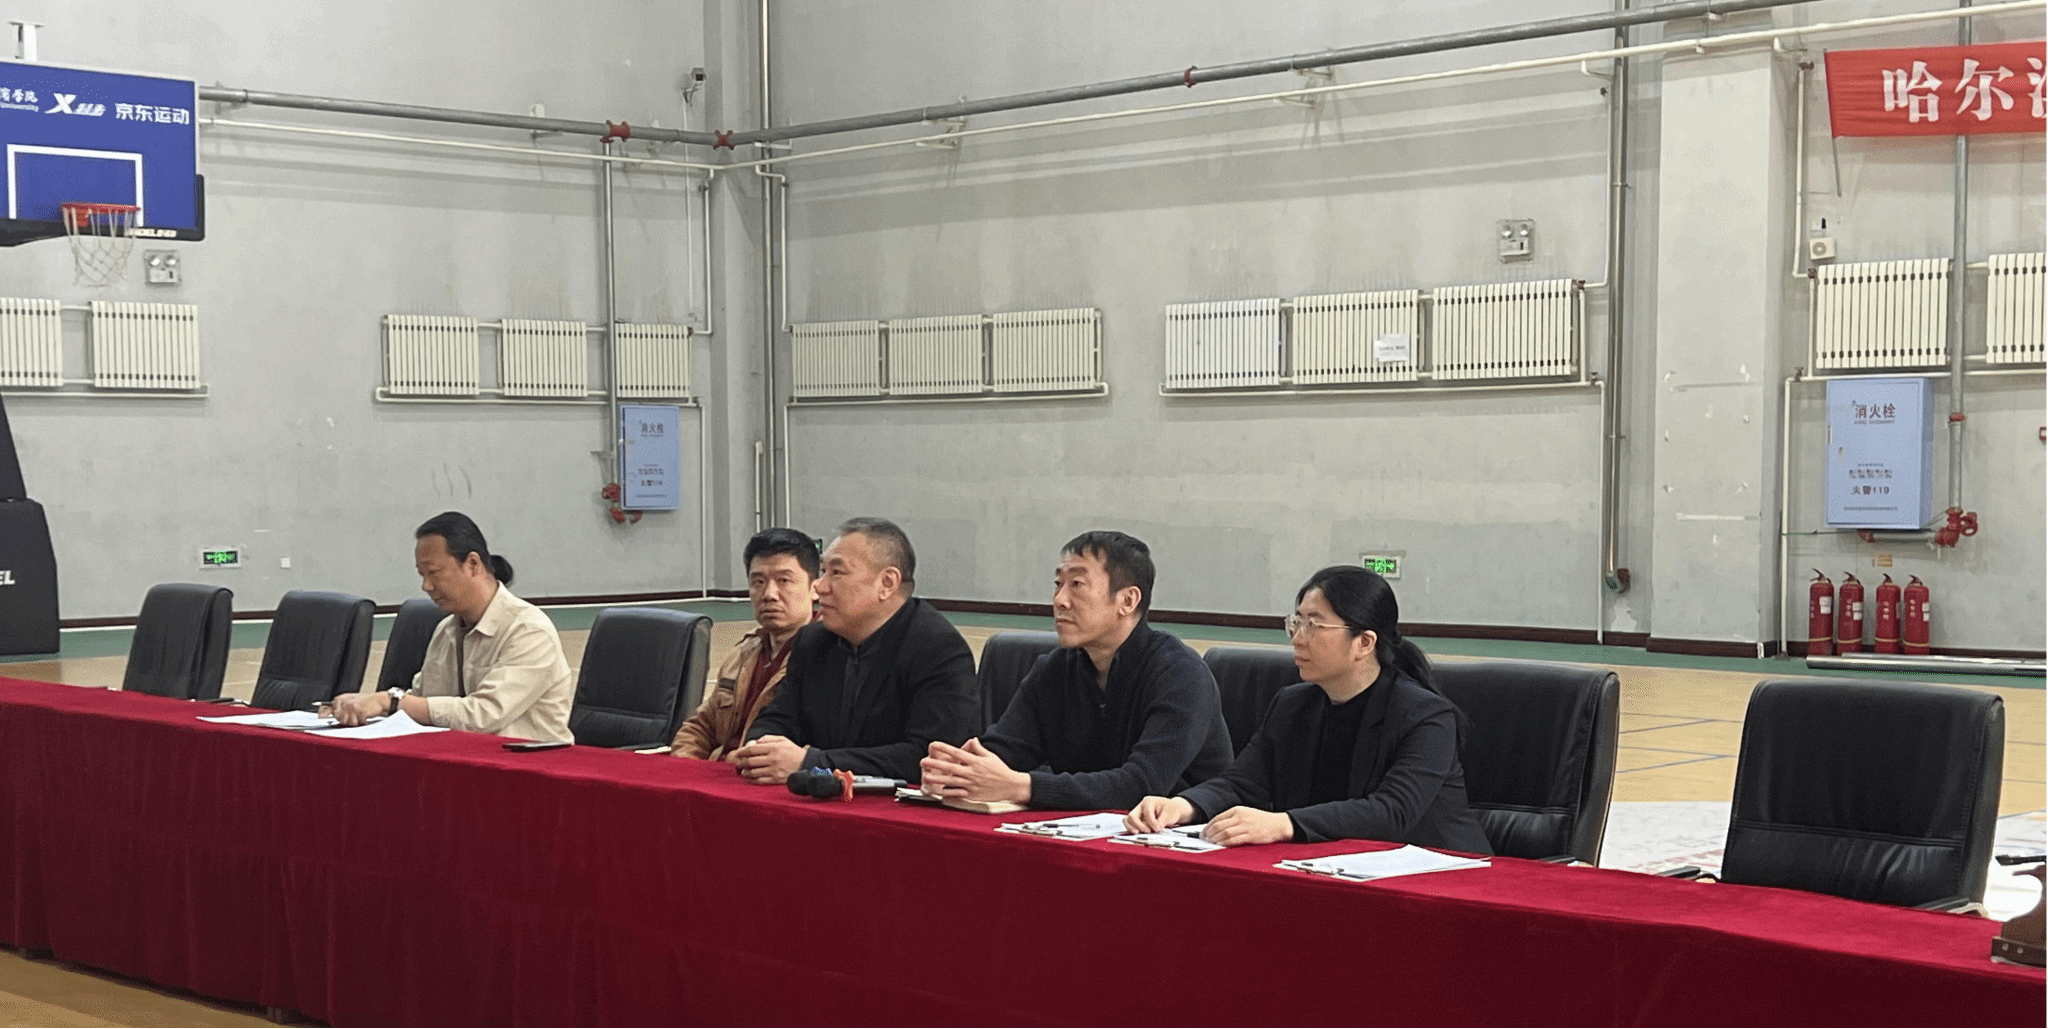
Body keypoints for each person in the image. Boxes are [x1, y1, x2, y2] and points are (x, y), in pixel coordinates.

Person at [1124, 565, 1490, 853]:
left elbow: (1392, 811)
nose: (1297, 638)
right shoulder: (1292, 704)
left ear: (1364, 643)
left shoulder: (1425, 716)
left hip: (1440, 876)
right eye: (1296, 622)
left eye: (1313, 625)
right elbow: (1242, 782)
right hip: (1329, 868)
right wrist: (1182, 806)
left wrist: (1283, 824)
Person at [918, 531, 1232, 810]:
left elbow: (1143, 783)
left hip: (1182, 838)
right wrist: (958, 770)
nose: (1060, 600)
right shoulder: (1053, 670)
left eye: (1077, 585)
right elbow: (1006, 750)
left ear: (1127, 600)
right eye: (1058, 585)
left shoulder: (1180, 673)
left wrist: (1023, 787)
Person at [733, 517, 976, 784]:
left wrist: (813, 763)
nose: (819, 586)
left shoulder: (938, 649)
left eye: (836, 573)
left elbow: (930, 756)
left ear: (887, 583)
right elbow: (777, 718)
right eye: (823, 571)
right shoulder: (813, 642)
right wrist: (760, 748)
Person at [330, 512, 574, 743]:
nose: (426, 586)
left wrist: (389, 701)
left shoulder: (529, 630)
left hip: (530, 765)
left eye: (434, 573)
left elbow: (484, 715)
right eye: (422, 575)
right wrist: (362, 705)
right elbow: (421, 701)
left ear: (473, 564)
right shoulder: (446, 630)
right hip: (464, 759)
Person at [670, 528, 820, 760]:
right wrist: (686, 766)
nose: (769, 594)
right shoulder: (745, 651)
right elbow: (700, 727)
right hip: (718, 773)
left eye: (784, 581)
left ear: (815, 589)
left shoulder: (828, 655)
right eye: (758, 581)